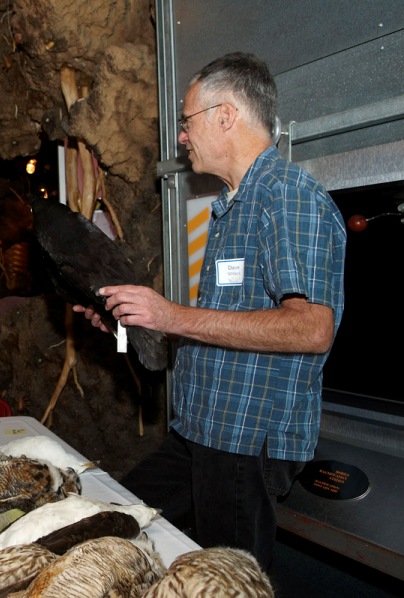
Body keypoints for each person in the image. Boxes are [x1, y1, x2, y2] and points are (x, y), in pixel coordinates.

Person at [76, 52, 346, 571]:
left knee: (229, 582)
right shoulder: (232, 208)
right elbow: (221, 330)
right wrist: (130, 325)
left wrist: (172, 315)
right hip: (201, 431)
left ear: (226, 116)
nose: (181, 136)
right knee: (113, 524)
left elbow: (313, 328)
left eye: (187, 120)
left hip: (245, 441)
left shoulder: (287, 197)